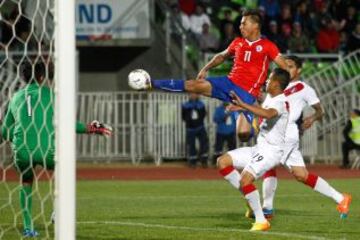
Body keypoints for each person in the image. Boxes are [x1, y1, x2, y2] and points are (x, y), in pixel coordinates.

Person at [132, 9, 287, 142]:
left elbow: (284, 68)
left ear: (255, 25)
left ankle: (254, 125)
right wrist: (205, 68)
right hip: (228, 82)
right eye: (240, 23)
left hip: (246, 93)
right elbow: (221, 56)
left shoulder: (268, 46)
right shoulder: (238, 42)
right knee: (193, 85)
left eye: (244, 23)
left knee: (243, 135)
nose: (240, 27)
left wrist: (281, 88)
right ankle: (150, 83)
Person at [1, 61, 113, 237]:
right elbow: (67, 123)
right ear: (42, 77)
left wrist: (16, 139)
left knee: (26, 184)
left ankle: (29, 228)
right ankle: (57, 212)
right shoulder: (51, 95)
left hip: (21, 151)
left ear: (22, 78)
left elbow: (5, 132)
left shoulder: (15, 98)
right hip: (46, 150)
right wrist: (92, 128)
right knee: (65, 175)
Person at [259, 56, 352, 220]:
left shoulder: (304, 88)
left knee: (267, 163)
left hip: (286, 132)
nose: (287, 69)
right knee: (301, 174)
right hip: (272, 130)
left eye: (291, 66)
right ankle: (341, 198)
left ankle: (266, 209)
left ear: (299, 70)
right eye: (284, 66)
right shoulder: (276, 86)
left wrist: (312, 118)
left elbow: (320, 110)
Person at [217, 68, 291, 231]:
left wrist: (243, 105)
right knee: (222, 162)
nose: (266, 81)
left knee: (245, 179)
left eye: (269, 79)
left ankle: (261, 220)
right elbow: (261, 111)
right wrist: (241, 108)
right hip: (259, 148)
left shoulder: (280, 101)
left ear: (276, 84)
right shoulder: (270, 98)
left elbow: (268, 114)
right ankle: (251, 201)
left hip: (271, 152)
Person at [181, 93, 208, 168]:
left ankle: (203, 161)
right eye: (191, 94)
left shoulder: (201, 104)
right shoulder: (185, 105)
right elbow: (183, 116)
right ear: (189, 95)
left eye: (195, 94)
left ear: (198, 95)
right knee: (191, 145)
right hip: (190, 129)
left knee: (204, 144)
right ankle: (193, 161)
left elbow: (203, 115)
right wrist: (189, 122)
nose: (193, 95)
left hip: (200, 127)